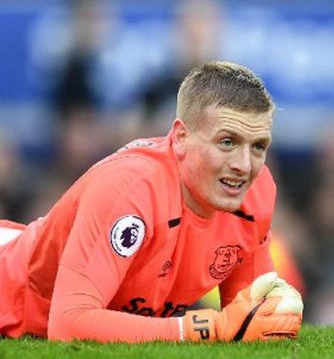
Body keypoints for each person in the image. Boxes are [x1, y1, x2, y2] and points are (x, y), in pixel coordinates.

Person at [0, 61, 303, 342]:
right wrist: (207, 327)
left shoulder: (257, 190)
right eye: (227, 142)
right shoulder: (130, 191)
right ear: (181, 138)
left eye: (258, 146)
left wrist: (270, 315)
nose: (244, 165)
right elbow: (68, 324)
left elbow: (246, 319)